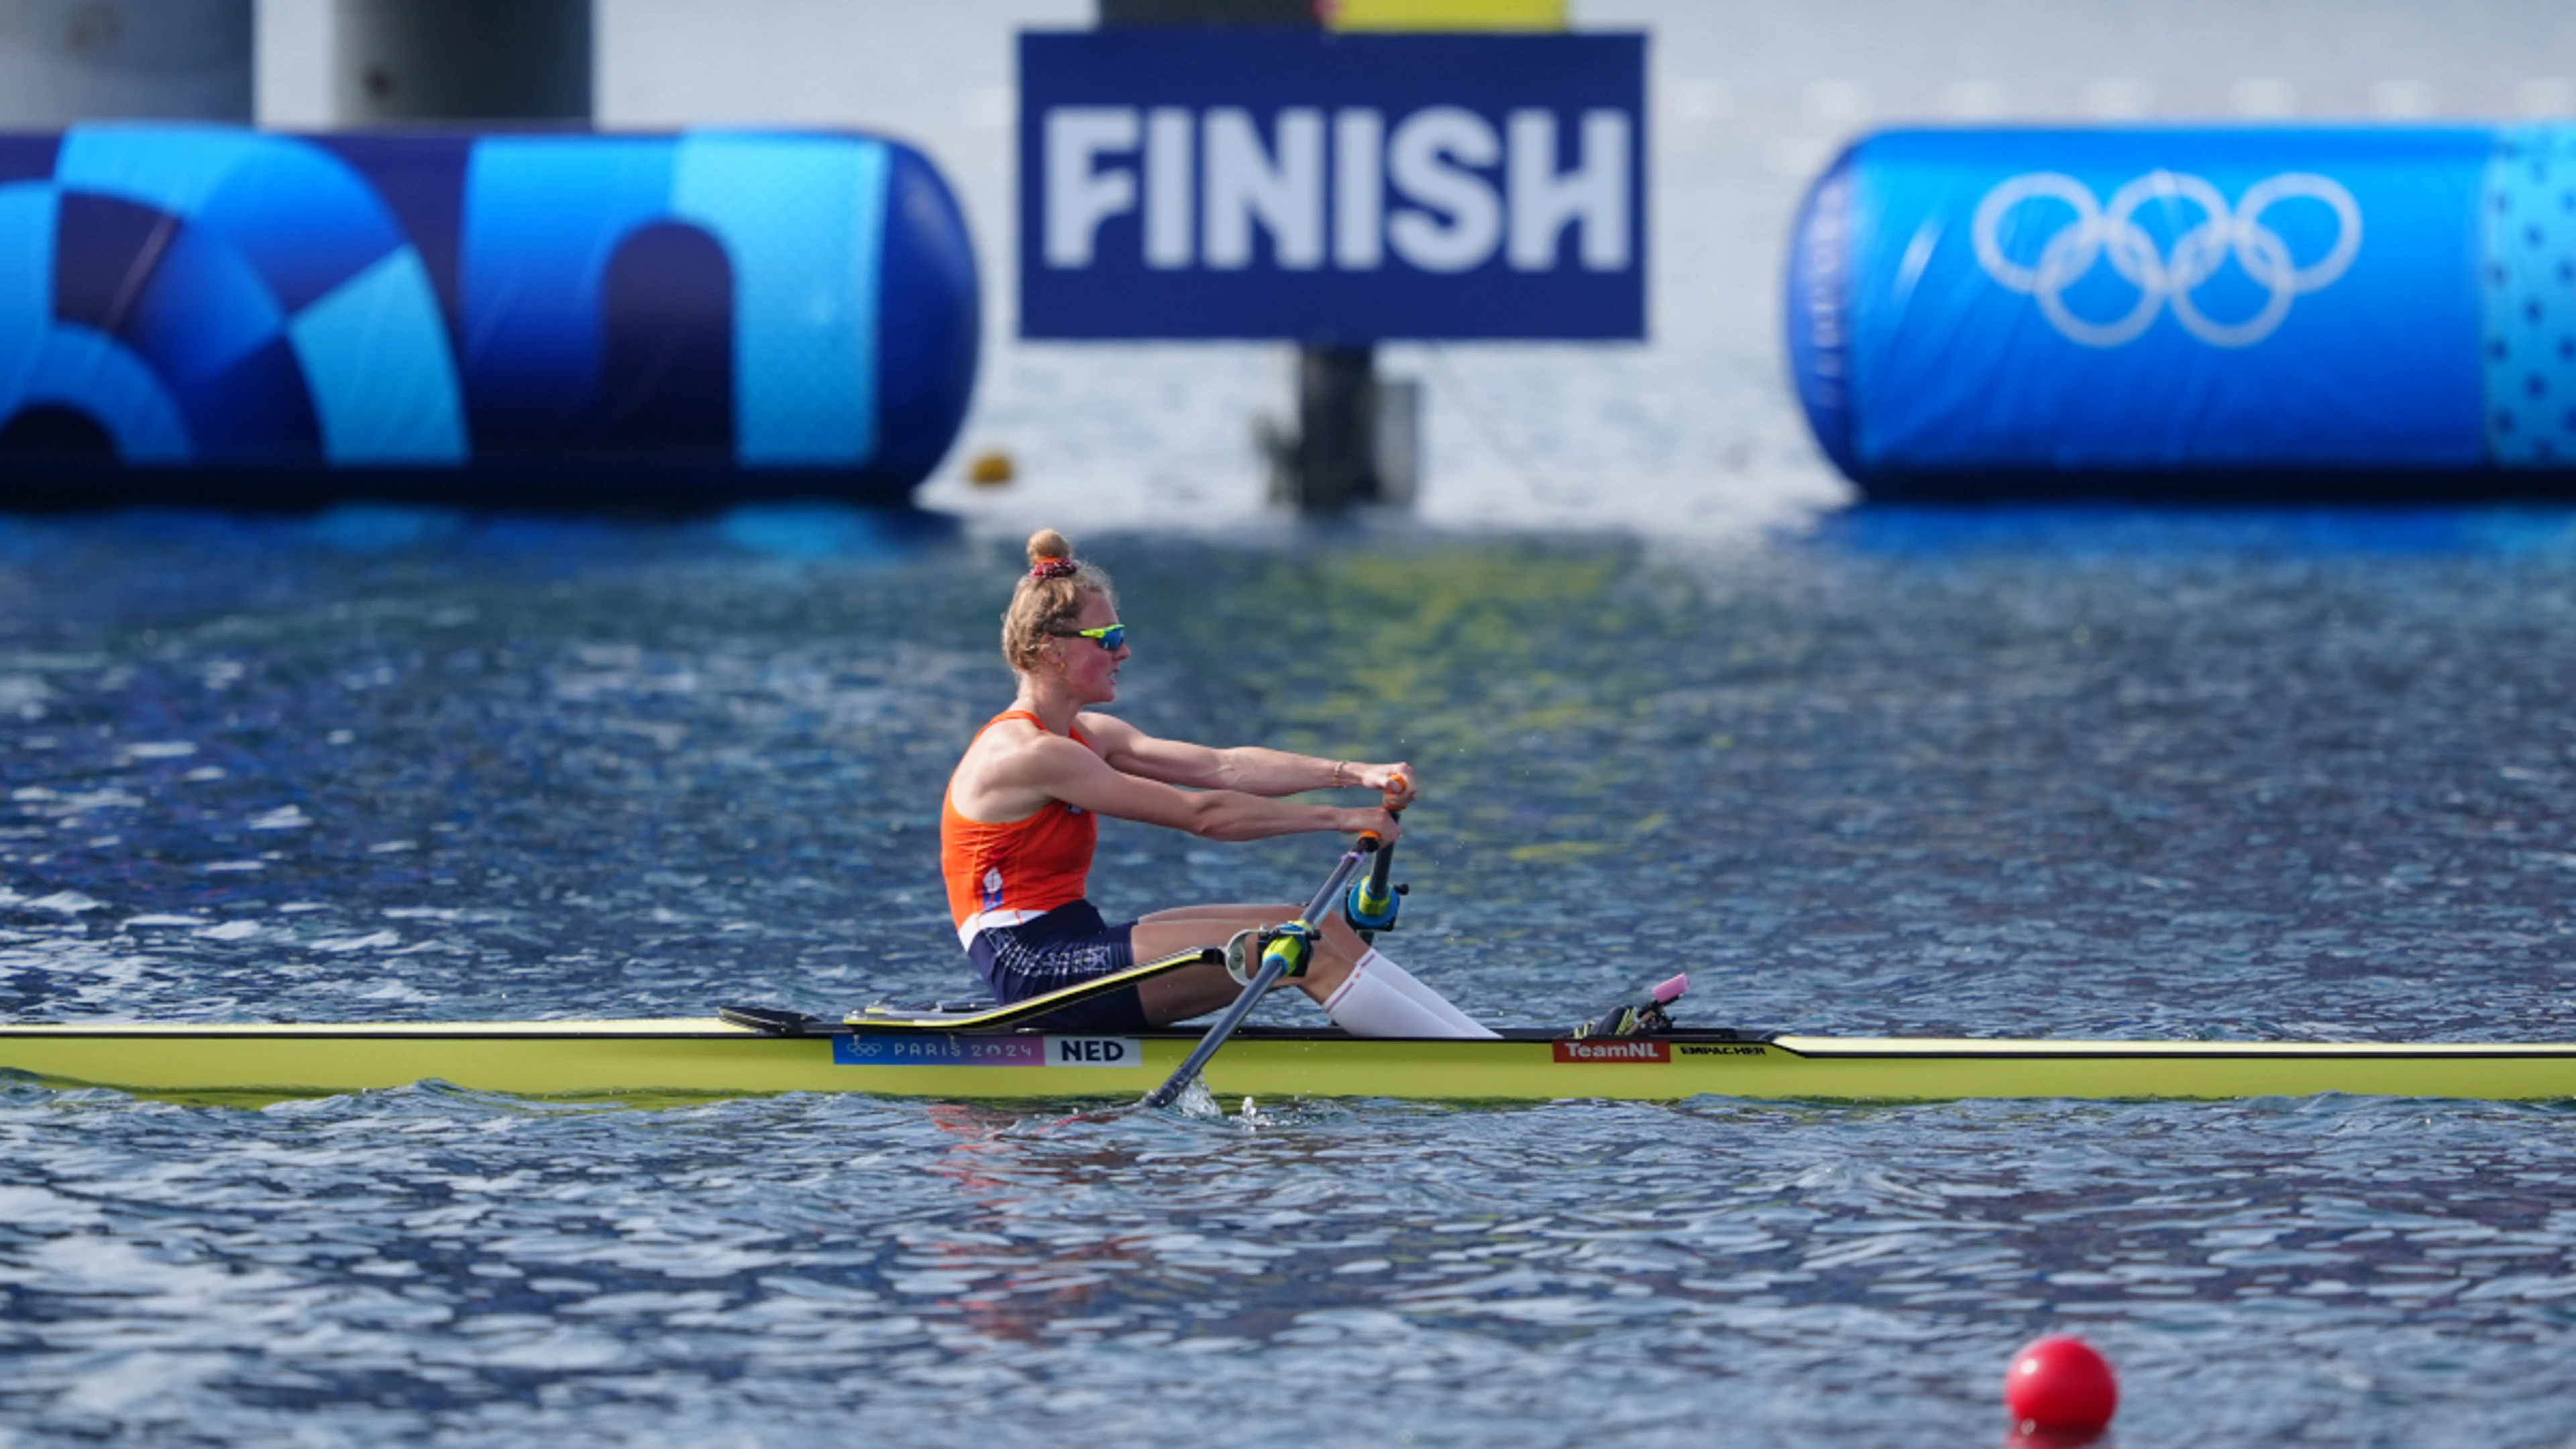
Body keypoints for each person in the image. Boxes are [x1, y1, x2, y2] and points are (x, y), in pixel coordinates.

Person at [938, 529, 1496, 1038]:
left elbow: (1223, 767)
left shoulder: (1090, 735)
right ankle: (1473, 1067)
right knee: (1299, 951)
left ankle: (1478, 1047)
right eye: (1107, 637)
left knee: (1319, 924)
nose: (1123, 652)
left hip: (1074, 941)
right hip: (1035, 969)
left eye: (1121, 634)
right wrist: (1341, 819)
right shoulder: (1030, 755)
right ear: (1052, 650)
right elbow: (1202, 814)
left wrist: (1356, 775)